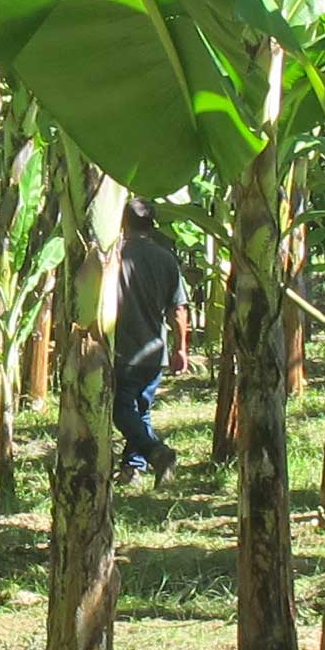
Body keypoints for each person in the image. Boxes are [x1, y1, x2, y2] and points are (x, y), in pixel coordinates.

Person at [112, 198, 188, 484]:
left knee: (122, 411)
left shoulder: (114, 256)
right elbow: (178, 309)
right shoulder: (165, 258)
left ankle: (157, 452)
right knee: (141, 410)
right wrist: (181, 348)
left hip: (123, 350)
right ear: (152, 223)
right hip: (155, 351)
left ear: (123, 221)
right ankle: (133, 469)